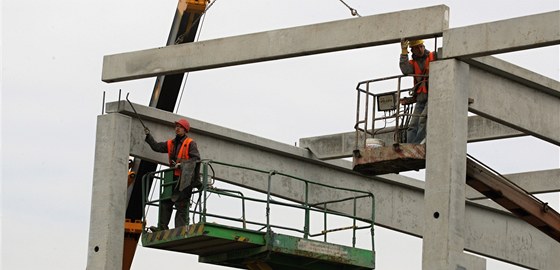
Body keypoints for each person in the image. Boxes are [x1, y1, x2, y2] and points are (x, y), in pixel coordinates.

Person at [144, 118, 201, 230]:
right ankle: (162, 227)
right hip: (173, 177)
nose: (177, 128)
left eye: (180, 127)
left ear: (185, 130)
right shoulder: (171, 143)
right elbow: (157, 147)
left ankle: (180, 229)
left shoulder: (190, 143)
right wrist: (148, 136)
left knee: (181, 204)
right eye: (176, 126)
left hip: (185, 178)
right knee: (166, 201)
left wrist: (182, 164)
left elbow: (196, 159)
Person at [399, 39, 436, 144]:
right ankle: (410, 146)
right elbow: (405, 69)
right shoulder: (413, 63)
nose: (420, 49)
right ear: (412, 50)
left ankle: (417, 145)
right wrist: (404, 51)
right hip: (420, 98)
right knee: (413, 125)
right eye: (417, 47)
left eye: (421, 46)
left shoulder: (433, 57)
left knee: (423, 120)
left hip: (432, 96)